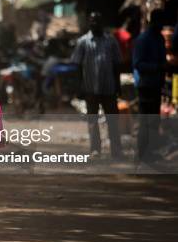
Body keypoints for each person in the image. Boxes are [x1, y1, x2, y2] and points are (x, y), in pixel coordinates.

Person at [71, 11, 122, 159]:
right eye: (92, 21)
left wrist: (118, 86)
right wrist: (79, 86)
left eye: (97, 21)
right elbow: (77, 66)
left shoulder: (111, 41)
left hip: (109, 87)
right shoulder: (83, 42)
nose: (94, 24)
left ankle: (116, 150)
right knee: (93, 120)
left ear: (102, 23)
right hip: (90, 87)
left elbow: (117, 65)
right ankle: (95, 149)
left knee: (112, 119)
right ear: (89, 23)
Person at [133, 9, 167, 162]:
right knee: (145, 122)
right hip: (146, 86)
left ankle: (150, 152)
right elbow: (138, 64)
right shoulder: (143, 39)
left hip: (156, 85)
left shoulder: (159, 38)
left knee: (154, 121)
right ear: (154, 21)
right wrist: (157, 67)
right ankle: (140, 155)